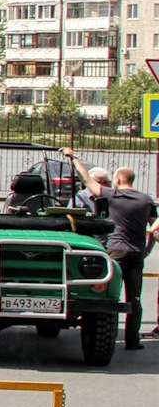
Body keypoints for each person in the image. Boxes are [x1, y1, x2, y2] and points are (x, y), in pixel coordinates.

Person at [62, 148, 158, 350]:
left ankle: (109, 335)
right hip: (136, 253)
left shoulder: (114, 196)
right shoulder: (146, 200)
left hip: (116, 251)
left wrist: (74, 157)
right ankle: (132, 340)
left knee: (109, 294)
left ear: (118, 179)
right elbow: (155, 225)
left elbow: (87, 180)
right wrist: (147, 248)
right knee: (135, 298)